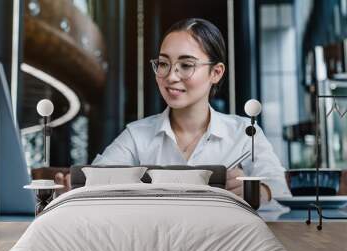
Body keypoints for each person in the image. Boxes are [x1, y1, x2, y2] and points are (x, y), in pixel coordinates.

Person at [56, 18, 291, 203]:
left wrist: (260, 190)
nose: (170, 76)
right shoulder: (137, 136)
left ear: (216, 73)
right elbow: (98, 177)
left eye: (186, 65)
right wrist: (75, 188)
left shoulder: (243, 133)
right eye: (163, 64)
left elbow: (280, 186)